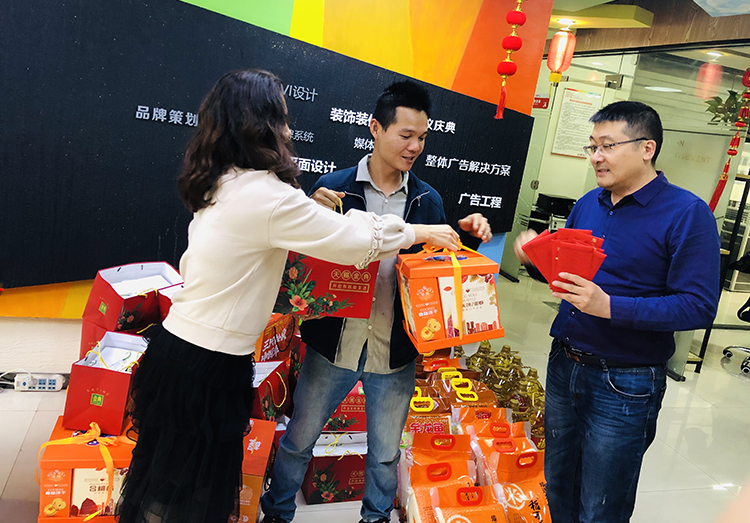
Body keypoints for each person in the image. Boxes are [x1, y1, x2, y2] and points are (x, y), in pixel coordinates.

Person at [115, 69, 460, 523]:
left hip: (182, 349)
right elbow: (353, 240)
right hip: (208, 362)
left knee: (166, 483)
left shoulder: (223, 179)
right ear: (260, 125)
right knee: (190, 494)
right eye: (281, 118)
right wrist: (419, 231)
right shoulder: (270, 195)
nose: (289, 130)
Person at [260, 80, 492, 523]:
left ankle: (376, 517)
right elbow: (302, 260)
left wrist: (467, 238)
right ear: (375, 128)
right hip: (334, 344)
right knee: (298, 441)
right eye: (405, 135)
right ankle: (277, 511)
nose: (415, 147)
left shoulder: (427, 200)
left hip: (394, 349)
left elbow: (435, 273)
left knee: (385, 454)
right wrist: (312, 211)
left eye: (422, 137)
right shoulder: (334, 189)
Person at [513, 100, 720, 523]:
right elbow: (568, 277)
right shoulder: (588, 203)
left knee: (602, 504)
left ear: (647, 148)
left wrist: (609, 306)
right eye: (592, 146)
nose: (596, 157)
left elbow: (698, 306)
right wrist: (535, 261)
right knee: (558, 486)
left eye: (607, 145)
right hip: (564, 363)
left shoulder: (687, 213)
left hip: (625, 381)